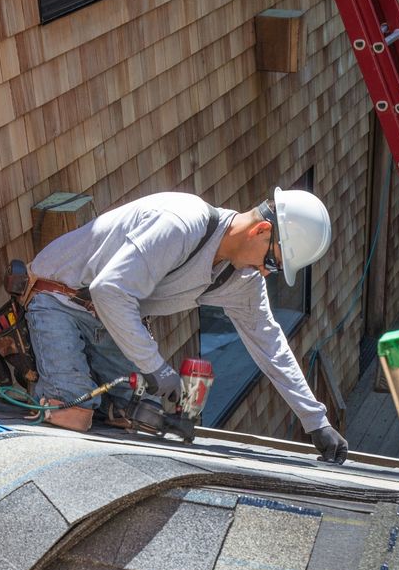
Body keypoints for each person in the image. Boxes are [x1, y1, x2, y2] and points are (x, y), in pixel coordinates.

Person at [23, 187, 348, 463]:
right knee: (73, 413)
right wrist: (157, 368)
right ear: (260, 230)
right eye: (273, 261)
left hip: (105, 319)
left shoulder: (243, 280)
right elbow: (108, 290)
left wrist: (316, 422)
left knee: (143, 417)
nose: (266, 272)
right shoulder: (180, 224)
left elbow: (270, 345)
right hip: (58, 297)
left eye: (274, 269)